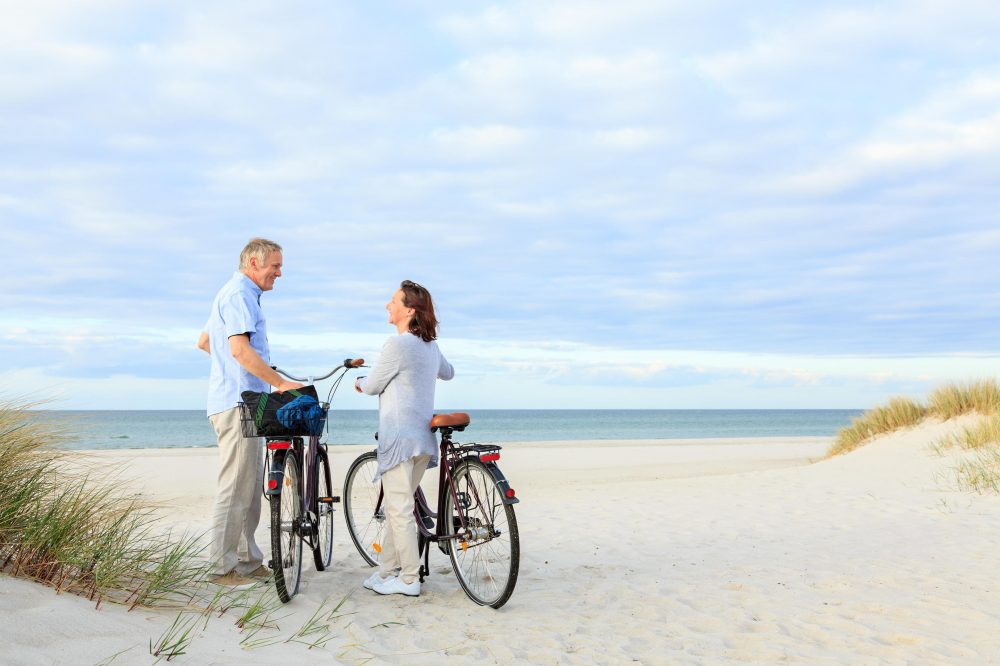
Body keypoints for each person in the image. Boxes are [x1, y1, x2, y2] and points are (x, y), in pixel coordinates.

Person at [197, 238, 303, 587]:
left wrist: (240, 367)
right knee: (235, 487)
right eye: (275, 265)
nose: (280, 272)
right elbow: (239, 350)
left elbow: (205, 342)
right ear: (254, 263)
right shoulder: (239, 294)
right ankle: (220, 569)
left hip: (244, 401)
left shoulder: (237, 293)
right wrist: (278, 382)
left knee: (249, 487)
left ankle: (247, 561)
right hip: (237, 403)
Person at [354, 279, 454, 597]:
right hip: (422, 440)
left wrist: (359, 381)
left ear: (409, 310)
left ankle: (409, 579)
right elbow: (448, 372)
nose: (388, 305)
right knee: (400, 506)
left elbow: (372, 386)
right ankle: (386, 571)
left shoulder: (397, 345)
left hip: (399, 439)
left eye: (394, 301)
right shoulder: (430, 346)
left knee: (399, 510)